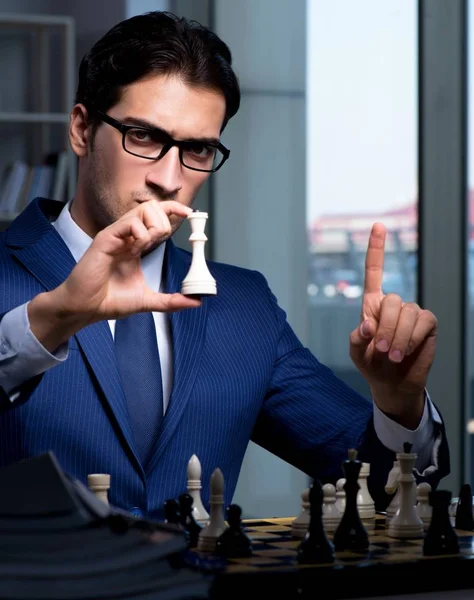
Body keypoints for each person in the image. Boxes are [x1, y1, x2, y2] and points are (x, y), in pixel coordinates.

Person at [0, 10, 448, 519]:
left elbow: (385, 483)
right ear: (81, 130)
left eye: (197, 149)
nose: (169, 179)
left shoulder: (244, 306)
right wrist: (44, 325)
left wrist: (398, 403)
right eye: (143, 137)